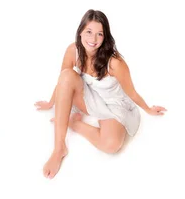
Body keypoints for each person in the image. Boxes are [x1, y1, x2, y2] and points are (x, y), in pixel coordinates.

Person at [35, 9, 167, 179]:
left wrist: (148, 109)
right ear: (80, 31)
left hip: (114, 104)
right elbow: (62, 81)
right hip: (89, 97)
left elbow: (132, 92)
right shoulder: (72, 50)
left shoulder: (115, 63)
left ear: (105, 37)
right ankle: (59, 148)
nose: (93, 39)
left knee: (111, 145)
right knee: (67, 75)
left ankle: (73, 124)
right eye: (89, 32)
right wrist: (50, 103)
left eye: (99, 34)